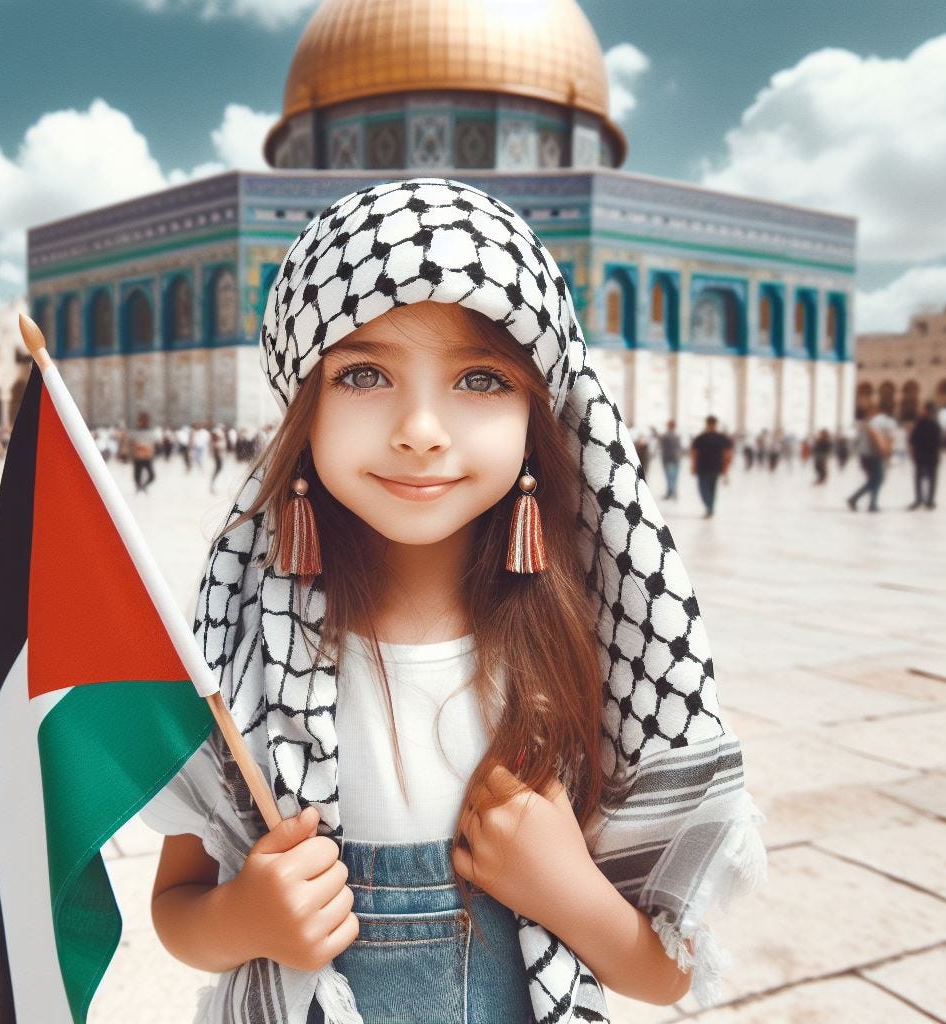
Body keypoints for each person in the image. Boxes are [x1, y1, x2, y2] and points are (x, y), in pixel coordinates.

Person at [139, 179, 764, 1024]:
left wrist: (569, 894)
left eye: (479, 379)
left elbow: (665, 975)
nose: (421, 428)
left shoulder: (577, 657)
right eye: (363, 374)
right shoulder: (249, 657)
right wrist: (246, 916)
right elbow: (177, 910)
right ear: (306, 411)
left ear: (536, 418)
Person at [847, 403, 896, 512]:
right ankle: (858, 499)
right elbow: (877, 435)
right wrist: (884, 449)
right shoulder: (881, 421)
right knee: (877, 480)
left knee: (875, 480)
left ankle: (870, 503)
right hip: (873, 454)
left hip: (864, 455)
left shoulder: (866, 422)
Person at [690, 415, 733, 517]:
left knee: (710, 489)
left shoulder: (720, 438)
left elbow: (727, 454)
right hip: (704, 467)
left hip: (713, 467)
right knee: (704, 489)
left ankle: (710, 509)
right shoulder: (701, 438)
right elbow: (694, 453)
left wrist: (726, 468)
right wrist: (693, 466)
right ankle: (709, 507)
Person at [907, 401, 941, 510]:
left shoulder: (921, 424)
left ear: (927, 411)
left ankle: (925, 500)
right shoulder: (931, 424)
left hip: (926, 456)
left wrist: (913, 453)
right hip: (926, 456)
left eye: (923, 409)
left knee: (927, 479)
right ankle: (923, 500)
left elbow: (912, 441)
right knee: (926, 479)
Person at [130, 411, 161, 494]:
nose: (143, 422)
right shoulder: (135, 432)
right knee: (137, 474)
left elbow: (156, 443)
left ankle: (143, 486)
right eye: (141, 420)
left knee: (152, 475)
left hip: (147, 457)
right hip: (138, 457)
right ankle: (139, 487)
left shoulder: (151, 431)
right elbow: (132, 443)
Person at [657, 419, 682, 499]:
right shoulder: (677, 436)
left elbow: (660, 442)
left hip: (668, 459)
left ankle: (671, 492)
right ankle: (672, 492)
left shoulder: (665, 435)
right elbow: (679, 447)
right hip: (676, 459)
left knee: (669, 476)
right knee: (674, 477)